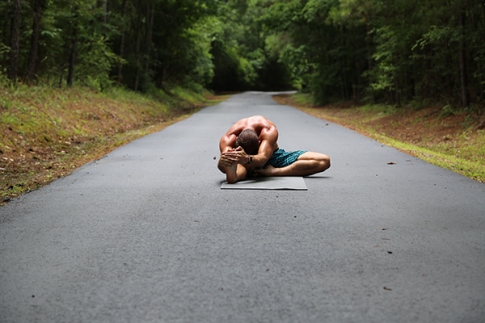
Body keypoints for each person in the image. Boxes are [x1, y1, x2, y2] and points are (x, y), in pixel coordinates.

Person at [218, 115, 330, 183]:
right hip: (241, 160)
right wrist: (224, 161)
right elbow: (224, 162)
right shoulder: (228, 137)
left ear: (259, 141)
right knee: (227, 162)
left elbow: (262, 158)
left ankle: (274, 172)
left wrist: (273, 171)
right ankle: (234, 175)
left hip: (270, 158)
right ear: (236, 141)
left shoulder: (268, 130)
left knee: (324, 161)